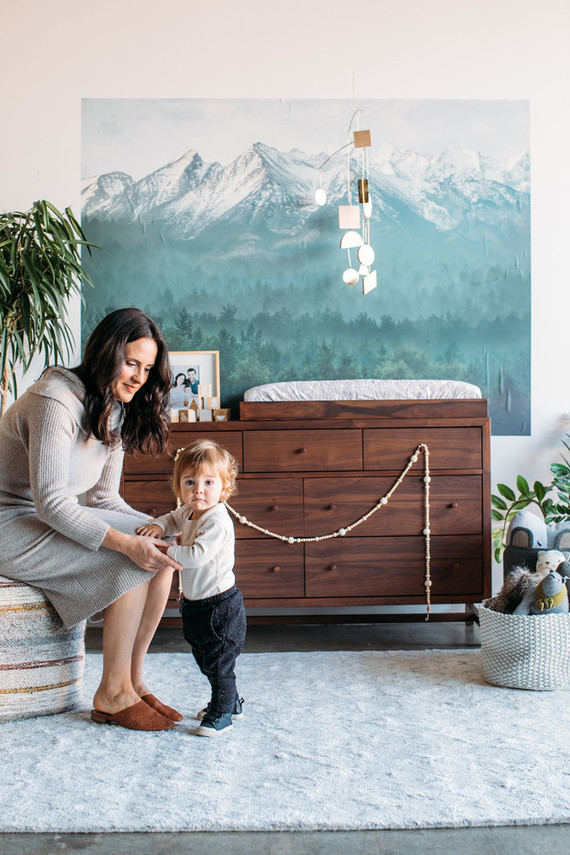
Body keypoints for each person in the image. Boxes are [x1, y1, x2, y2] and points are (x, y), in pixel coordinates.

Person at [0, 307, 184, 732]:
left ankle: (132, 682)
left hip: (44, 519)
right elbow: (50, 502)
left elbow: (104, 497)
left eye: (148, 368)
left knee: (155, 554)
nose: (139, 377)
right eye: (132, 363)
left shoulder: (113, 405)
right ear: (107, 353)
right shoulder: (55, 401)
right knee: (128, 557)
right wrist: (124, 544)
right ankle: (111, 694)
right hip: (9, 523)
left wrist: (159, 528)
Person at [137, 439, 246, 737]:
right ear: (179, 487)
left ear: (223, 488)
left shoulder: (218, 521)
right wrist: (159, 527)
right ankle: (230, 700)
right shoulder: (188, 512)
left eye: (209, 482)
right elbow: (172, 519)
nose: (199, 489)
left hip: (220, 606)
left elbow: (196, 556)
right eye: (190, 482)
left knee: (219, 660)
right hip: (197, 604)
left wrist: (167, 549)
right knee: (205, 657)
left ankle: (222, 712)